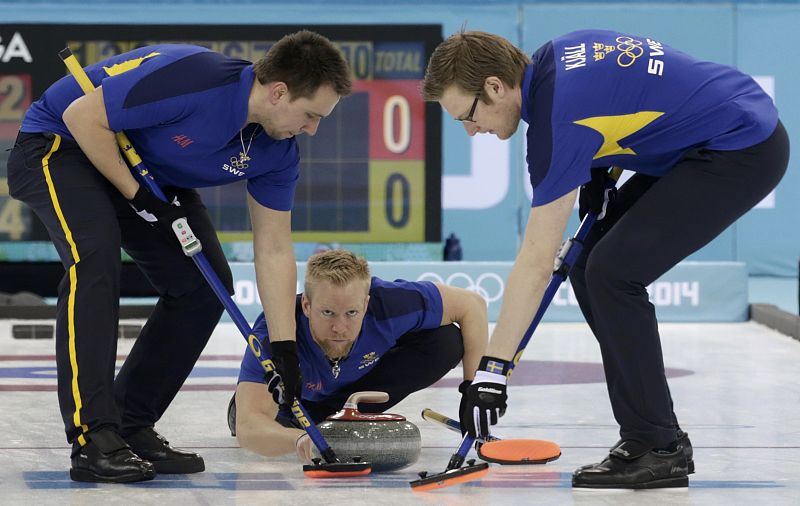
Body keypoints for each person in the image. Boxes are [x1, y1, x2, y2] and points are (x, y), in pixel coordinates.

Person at [422, 29, 789, 489]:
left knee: (613, 274)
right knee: (590, 264)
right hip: (711, 131)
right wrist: (597, 165)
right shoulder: (554, 57)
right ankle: (652, 435)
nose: (471, 131)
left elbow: (536, 262)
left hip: (741, 148)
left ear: (495, 86)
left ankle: (657, 445)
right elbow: (626, 86)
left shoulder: (558, 123)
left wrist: (493, 371)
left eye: (468, 116)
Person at [6, 30, 351, 483]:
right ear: (278, 91)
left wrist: (284, 347)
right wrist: (139, 199)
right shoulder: (196, 78)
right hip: (61, 145)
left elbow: (273, 247)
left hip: (144, 171)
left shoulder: (277, 150)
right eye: (310, 115)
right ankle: (93, 437)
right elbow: (82, 115)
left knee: (202, 288)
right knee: (95, 259)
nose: (312, 129)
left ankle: (130, 424)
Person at [229, 249, 488, 461]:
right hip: (295, 409)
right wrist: (299, 440)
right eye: (328, 313)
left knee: (447, 341)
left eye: (351, 313)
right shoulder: (274, 332)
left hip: (352, 391)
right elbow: (249, 425)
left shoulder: (390, 304)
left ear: (365, 304)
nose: (340, 328)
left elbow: (472, 305)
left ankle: (347, 414)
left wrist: (471, 390)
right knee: (252, 411)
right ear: (307, 305)